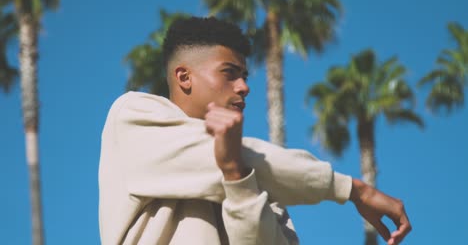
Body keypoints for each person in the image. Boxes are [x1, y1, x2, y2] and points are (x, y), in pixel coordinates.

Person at [99, 16, 411, 245]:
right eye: (229, 73)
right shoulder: (133, 117)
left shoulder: (264, 180)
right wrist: (354, 190)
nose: (245, 87)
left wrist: (238, 179)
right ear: (184, 77)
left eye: (245, 76)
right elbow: (218, 158)